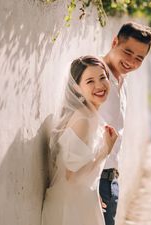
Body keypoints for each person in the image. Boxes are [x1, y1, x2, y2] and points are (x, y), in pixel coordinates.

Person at [41, 56, 118, 225]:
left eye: (102, 77)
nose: (99, 85)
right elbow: (71, 176)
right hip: (71, 208)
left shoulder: (90, 115)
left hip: (82, 199)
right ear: (77, 87)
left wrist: (94, 193)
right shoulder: (82, 120)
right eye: (90, 81)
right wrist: (106, 149)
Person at [99, 22, 151, 225]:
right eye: (127, 52)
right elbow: (78, 127)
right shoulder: (96, 76)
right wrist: (87, 188)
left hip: (110, 178)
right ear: (115, 42)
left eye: (139, 58)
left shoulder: (121, 81)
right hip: (95, 180)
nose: (131, 61)